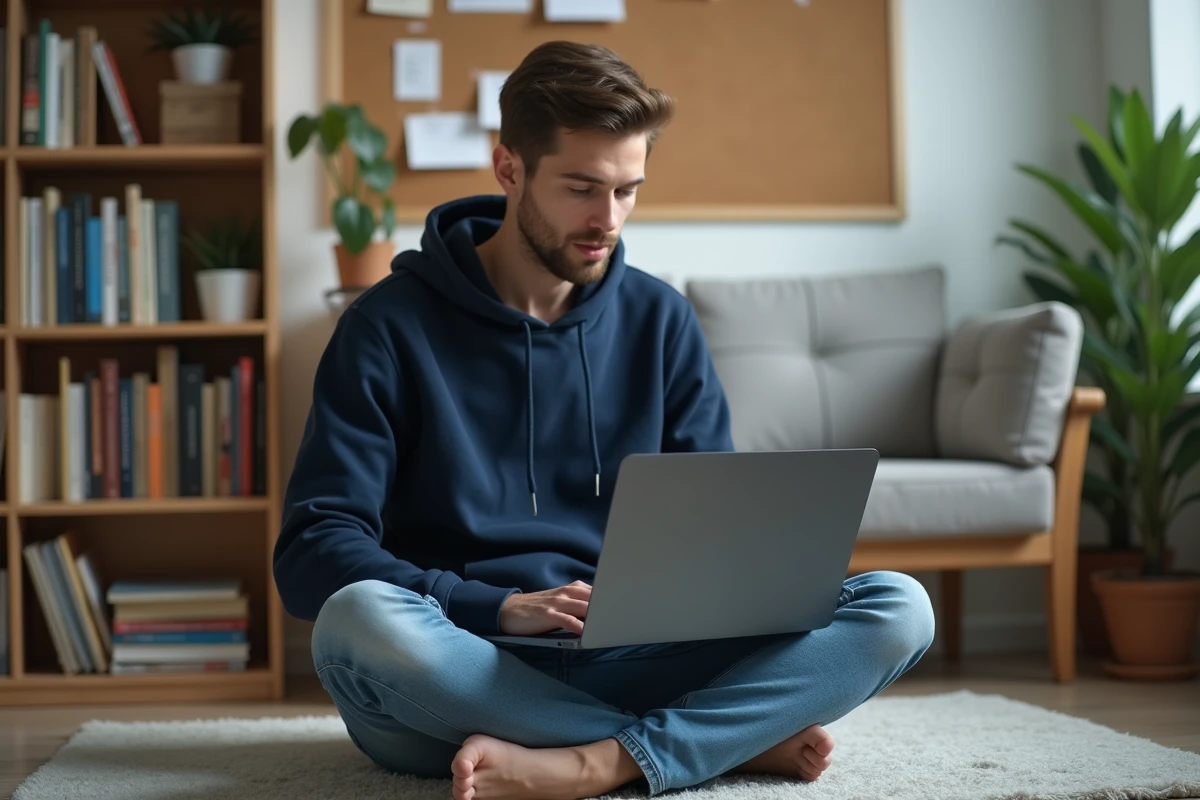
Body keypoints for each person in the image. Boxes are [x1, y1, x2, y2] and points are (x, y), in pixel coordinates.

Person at [274, 39, 935, 800]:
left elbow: (717, 537)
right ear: (508, 168)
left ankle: (591, 763)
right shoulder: (386, 326)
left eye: (627, 190)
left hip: (637, 653)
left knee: (897, 606)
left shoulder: (662, 320)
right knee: (357, 620)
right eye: (582, 188)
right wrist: (496, 607)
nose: (607, 219)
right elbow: (314, 551)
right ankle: (708, 741)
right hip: (459, 666)